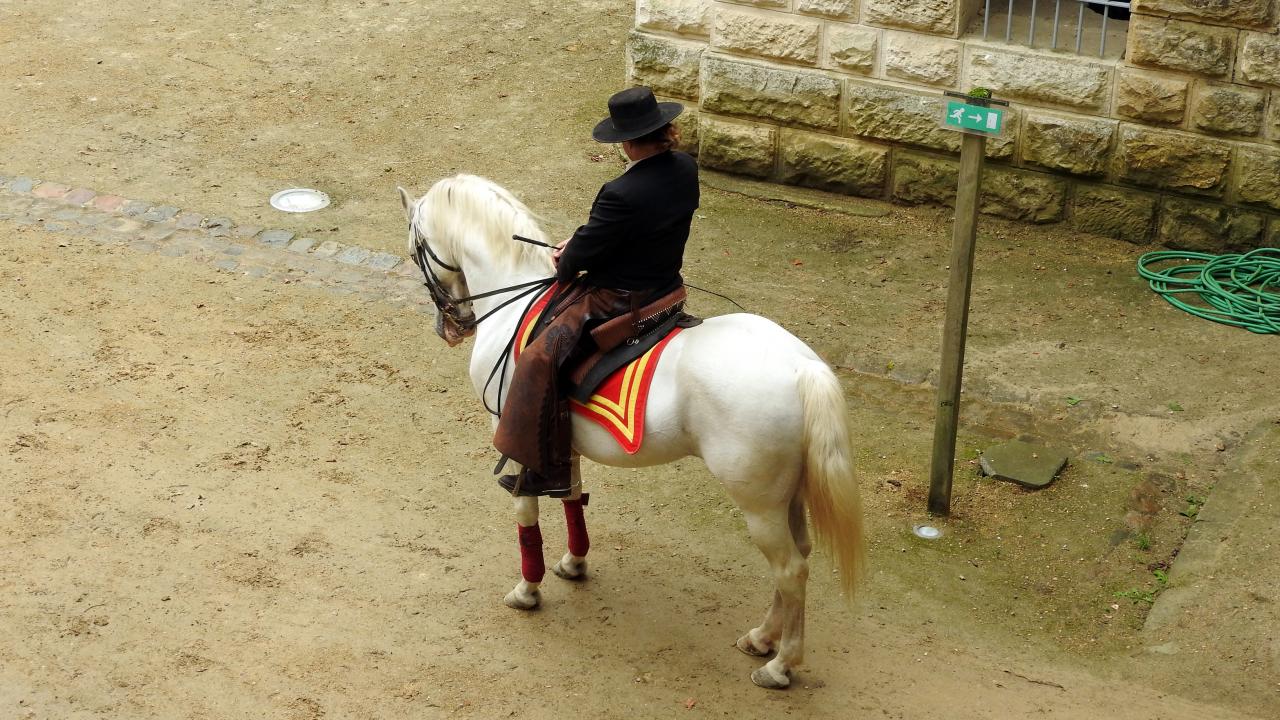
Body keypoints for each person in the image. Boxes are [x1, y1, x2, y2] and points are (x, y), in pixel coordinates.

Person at [492, 86, 700, 497]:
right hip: (666, 289)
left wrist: (568, 255)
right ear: (662, 130)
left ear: (625, 141)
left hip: (618, 299)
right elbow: (631, 231)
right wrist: (587, 240)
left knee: (537, 357)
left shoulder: (620, 192)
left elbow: (574, 262)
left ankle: (547, 472)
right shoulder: (685, 168)